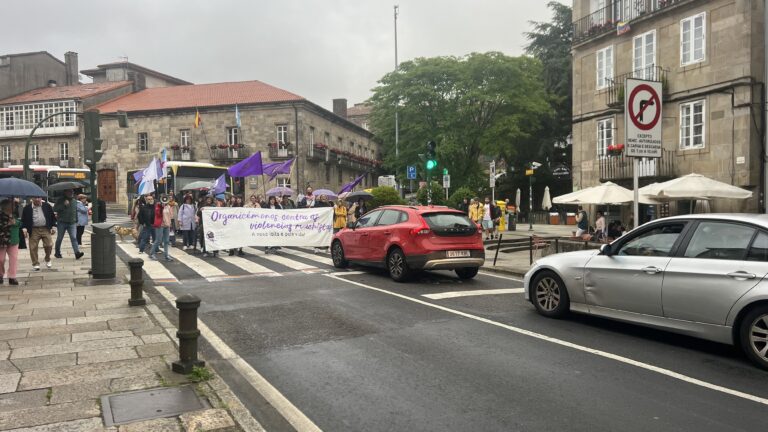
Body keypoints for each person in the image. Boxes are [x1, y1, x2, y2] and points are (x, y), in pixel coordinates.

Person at [21, 196, 56, 271]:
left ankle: (47, 258)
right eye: (35, 198)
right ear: (32, 199)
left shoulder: (47, 206)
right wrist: (24, 228)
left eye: (38, 198)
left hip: (45, 228)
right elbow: (23, 219)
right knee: (33, 247)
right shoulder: (27, 208)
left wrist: (53, 226)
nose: (37, 199)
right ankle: (35, 263)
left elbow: (52, 217)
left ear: (41, 198)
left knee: (49, 244)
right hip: (33, 229)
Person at [53, 189, 84, 260]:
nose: (72, 193)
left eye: (72, 192)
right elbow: (55, 209)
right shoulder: (60, 200)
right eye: (70, 192)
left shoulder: (74, 201)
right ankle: (57, 252)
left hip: (72, 223)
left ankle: (77, 253)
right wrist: (63, 205)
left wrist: (76, 220)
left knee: (74, 237)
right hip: (62, 222)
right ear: (65, 192)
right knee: (59, 238)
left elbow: (75, 211)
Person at [0, 200, 21, 285]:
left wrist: (15, 222)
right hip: (2, 240)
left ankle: (12, 277)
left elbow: (20, 223)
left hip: (13, 239)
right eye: (12, 205)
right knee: (1, 259)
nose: (14, 207)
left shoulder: (15, 214)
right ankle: (0, 275)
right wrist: (7, 224)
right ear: (6, 206)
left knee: (14, 259)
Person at [149, 195, 173, 262]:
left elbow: (171, 216)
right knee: (158, 240)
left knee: (166, 241)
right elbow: (158, 214)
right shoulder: (158, 206)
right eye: (163, 199)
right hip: (160, 225)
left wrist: (170, 224)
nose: (164, 201)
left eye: (166, 200)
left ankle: (166, 255)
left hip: (167, 225)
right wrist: (161, 207)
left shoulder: (168, 206)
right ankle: (151, 253)